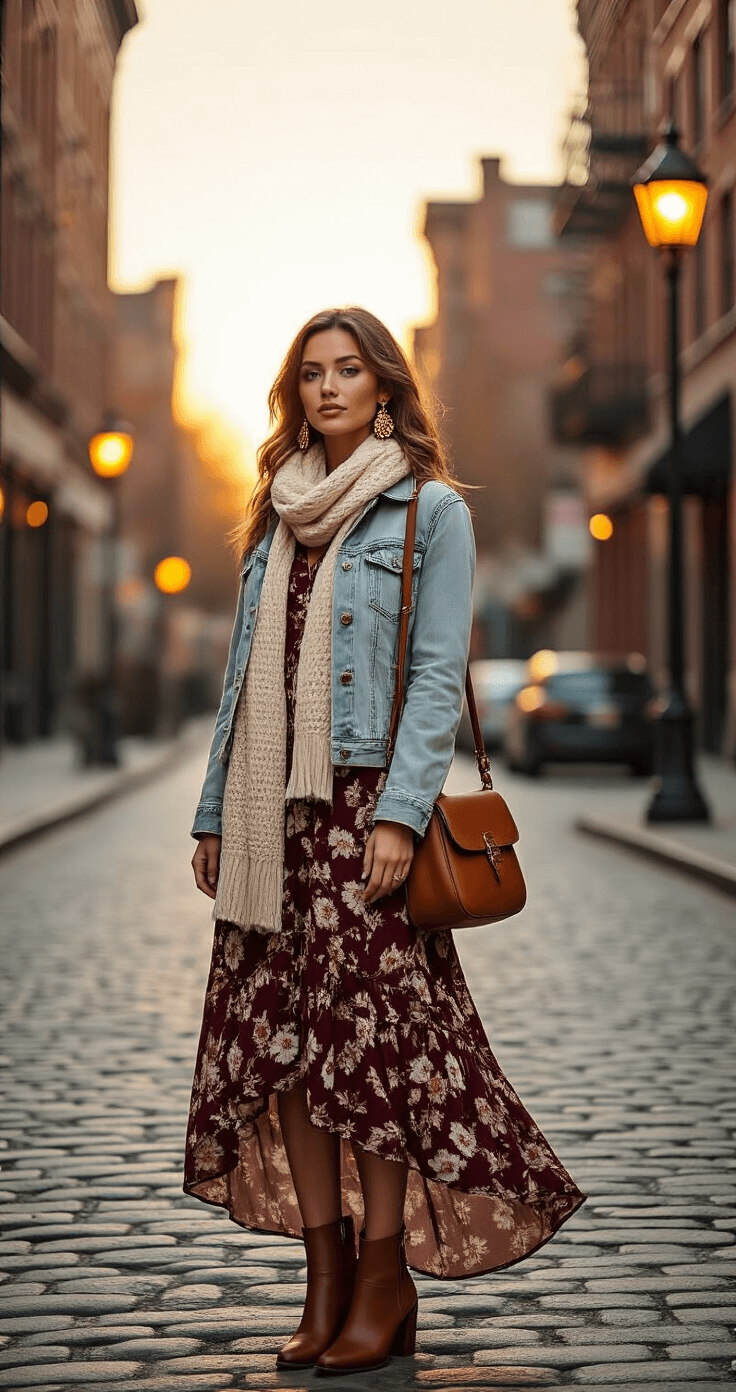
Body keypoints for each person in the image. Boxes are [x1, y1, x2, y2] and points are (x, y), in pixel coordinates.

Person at [185, 306, 585, 1376]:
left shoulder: (429, 511)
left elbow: (430, 678)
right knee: (286, 1055)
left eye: (346, 370)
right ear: (294, 393)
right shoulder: (271, 514)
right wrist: (217, 810)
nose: (325, 389)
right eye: (309, 373)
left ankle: (381, 1282)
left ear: (383, 388)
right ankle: (321, 1289)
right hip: (275, 818)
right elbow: (243, 677)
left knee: (369, 1057)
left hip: (362, 817)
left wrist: (402, 817)